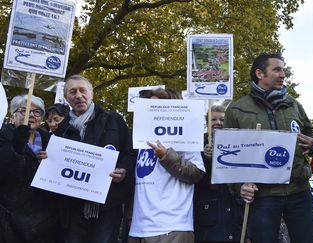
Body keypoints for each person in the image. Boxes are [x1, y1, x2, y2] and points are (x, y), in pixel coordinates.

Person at [224, 53, 313, 243]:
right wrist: (239, 186)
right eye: (277, 69)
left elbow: (312, 135)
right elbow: (227, 158)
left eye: (283, 70)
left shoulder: (294, 105)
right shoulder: (237, 110)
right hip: (263, 196)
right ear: (259, 73)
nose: (283, 74)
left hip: (299, 190)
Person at [56, 74, 135, 243]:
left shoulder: (114, 120)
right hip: (73, 207)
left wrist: (123, 170)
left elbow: (129, 153)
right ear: (66, 98)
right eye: (72, 92)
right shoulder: (61, 130)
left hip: (108, 204)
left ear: (91, 93)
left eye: (82, 90)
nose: (78, 95)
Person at [128, 88, 206, 243]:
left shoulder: (185, 136)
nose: (151, 111)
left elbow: (196, 174)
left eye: (156, 106)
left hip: (172, 229)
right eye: (148, 107)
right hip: (139, 229)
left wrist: (166, 156)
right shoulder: (140, 139)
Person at [0, 94, 59, 242]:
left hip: (43, 219)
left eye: (37, 112)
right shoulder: (3, 136)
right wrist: (16, 146)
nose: (31, 115)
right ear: (13, 116)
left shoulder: (52, 142)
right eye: (23, 110)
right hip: (10, 219)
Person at [193, 104, 245, 243]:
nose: (218, 123)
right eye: (213, 120)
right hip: (208, 206)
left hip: (234, 203)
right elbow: (195, 177)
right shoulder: (197, 144)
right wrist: (205, 158)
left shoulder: (238, 142)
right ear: (206, 122)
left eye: (222, 120)